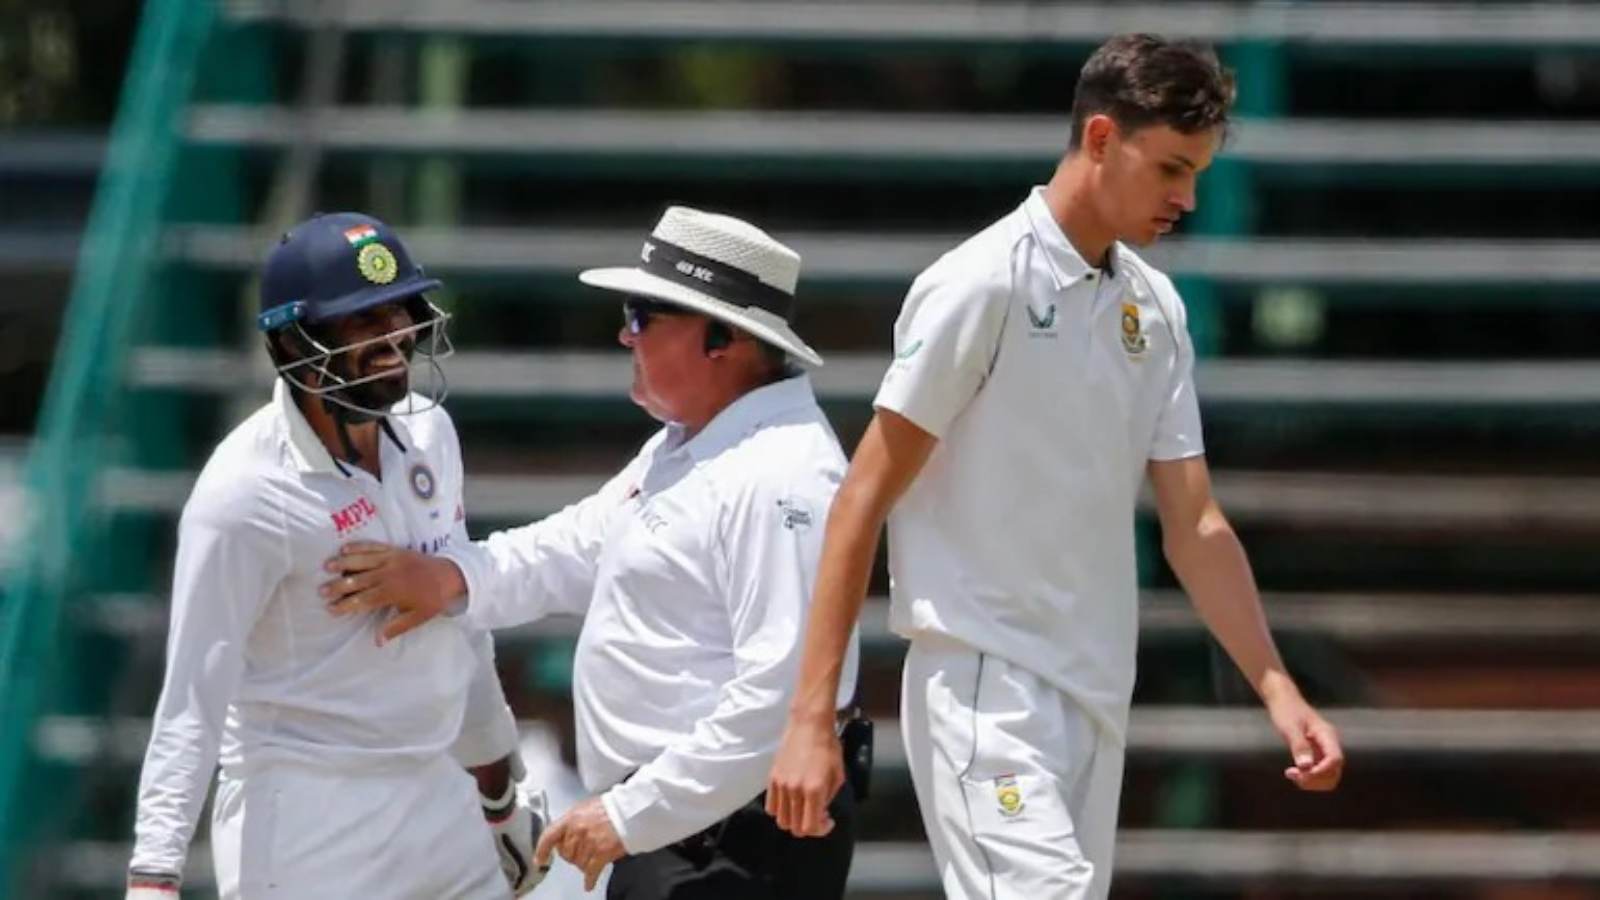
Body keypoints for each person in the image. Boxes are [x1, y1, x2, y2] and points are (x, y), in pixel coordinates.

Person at [764, 33, 1346, 898]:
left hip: (1096, 693)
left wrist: (1279, 690)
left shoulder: (1157, 307)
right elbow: (862, 499)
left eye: (1199, 175)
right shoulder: (979, 284)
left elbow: (1195, 524)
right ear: (1103, 138)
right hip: (982, 686)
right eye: (1171, 169)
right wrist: (810, 718)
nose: (1186, 198)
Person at [318, 207, 861, 899]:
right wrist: (451, 575)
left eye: (641, 315)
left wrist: (629, 817)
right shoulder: (694, 443)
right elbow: (574, 546)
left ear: (720, 337)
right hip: (686, 833)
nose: (621, 334)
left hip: (731, 841)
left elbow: (779, 701)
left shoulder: (784, 475)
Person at [125, 213, 546, 900]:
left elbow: (458, 627)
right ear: (293, 341)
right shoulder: (244, 494)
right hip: (308, 822)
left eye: (398, 313)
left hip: (439, 796)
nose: (393, 341)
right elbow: (194, 693)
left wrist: (499, 795)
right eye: (360, 323)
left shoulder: (430, 432)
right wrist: (154, 876)